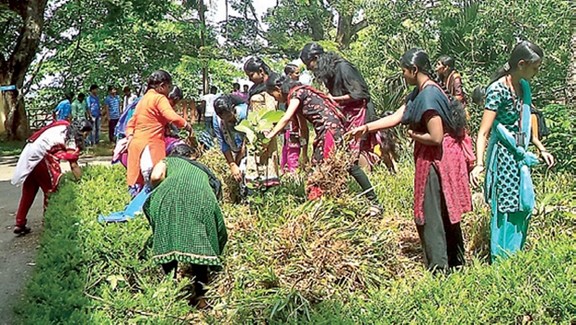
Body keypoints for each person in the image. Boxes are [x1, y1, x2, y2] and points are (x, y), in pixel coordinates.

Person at [348, 48, 472, 271]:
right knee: (443, 209)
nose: (403, 75)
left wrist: (414, 135)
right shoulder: (421, 91)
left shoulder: (429, 95)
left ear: (414, 70)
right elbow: (397, 116)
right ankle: (456, 262)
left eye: (404, 71)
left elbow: (435, 137)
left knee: (432, 213)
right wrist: (365, 127)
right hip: (437, 158)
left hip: (436, 160)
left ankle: (440, 267)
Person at [470, 41, 555, 262]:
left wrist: (538, 148)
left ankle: (515, 255)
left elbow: (525, 122)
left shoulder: (524, 87)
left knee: (522, 206)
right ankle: (500, 259)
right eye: (535, 68)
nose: (537, 72)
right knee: (504, 209)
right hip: (503, 158)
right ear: (521, 64)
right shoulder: (497, 90)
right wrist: (479, 164)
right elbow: (483, 132)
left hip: (520, 157)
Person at [266, 73, 383, 214]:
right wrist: (304, 154)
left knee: (320, 170)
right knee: (349, 166)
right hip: (335, 130)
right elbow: (303, 129)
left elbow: (286, 118)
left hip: (329, 132)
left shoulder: (297, 93)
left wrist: (270, 136)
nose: (276, 99)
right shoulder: (303, 92)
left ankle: (318, 210)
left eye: (274, 96)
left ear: (278, 89)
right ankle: (371, 202)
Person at [144, 143, 227, 308]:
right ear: (193, 156)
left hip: (167, 197)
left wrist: (160, 189)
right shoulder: (202, 168)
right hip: (201, 198)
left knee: (167, 236)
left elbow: (155, 177)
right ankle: (201, 298)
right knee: (199, 243)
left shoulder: (168, 161)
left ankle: (171, 292)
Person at [299, 42, 377, 169]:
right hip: (346, 114)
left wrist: (334, 99)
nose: (308, 69)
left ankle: (370, 175)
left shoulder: (343, 67)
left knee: (356, 149)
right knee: (346, 148)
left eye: (309, 64)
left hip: (359, 113)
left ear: (316, 58)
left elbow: (360, 94)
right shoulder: (329, 72)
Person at [11, 119, 93, 235]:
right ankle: (48, 225)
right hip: (41, 159)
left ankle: (20, 223)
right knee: (50, 191)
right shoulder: (72, 140)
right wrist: (82, 182)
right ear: (82, 132)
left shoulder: (63, 124)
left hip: (30, 154)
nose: (86, 137)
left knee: (28, 191)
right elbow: (73, 165)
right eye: (86, 134)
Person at [125, 70, 192, 196]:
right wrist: (186, 125)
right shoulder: (159, 98)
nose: (168, 91)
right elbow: (171, 115)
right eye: (169, 87)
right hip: (150, 146)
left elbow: (130, 123)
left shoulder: (143, 100)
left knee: (143, 185)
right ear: (162, 86)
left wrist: (130, 136)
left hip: (137, 147)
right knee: (154, 183)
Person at [213, 94, 280, 190]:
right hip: (236, 143)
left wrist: (239, 157)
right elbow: (223, 144)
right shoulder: (217, 120)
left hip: (250, 143)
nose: (226, 120)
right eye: (222, 117)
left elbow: (248, 139)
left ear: (233, 108)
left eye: (228, 116)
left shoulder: (245, 112)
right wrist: (232, 164)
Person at [243, 57, 280, 181]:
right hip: (254, 133)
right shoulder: (255, 88)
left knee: (265, 165)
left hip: (264, 133)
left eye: (251, 75)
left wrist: (266, 138)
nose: (249, 79)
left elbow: (270, 114)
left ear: (260, 71)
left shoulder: (269, 88)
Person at [280, 63, 303, 173]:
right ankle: (293, 171)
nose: (299, 75)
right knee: (293, 147)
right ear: (289, 74)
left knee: (287, 146)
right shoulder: (294, 87)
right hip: (293, 122)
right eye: (297, 73)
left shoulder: (284, 86)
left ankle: (285, 169)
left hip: (289, 122)